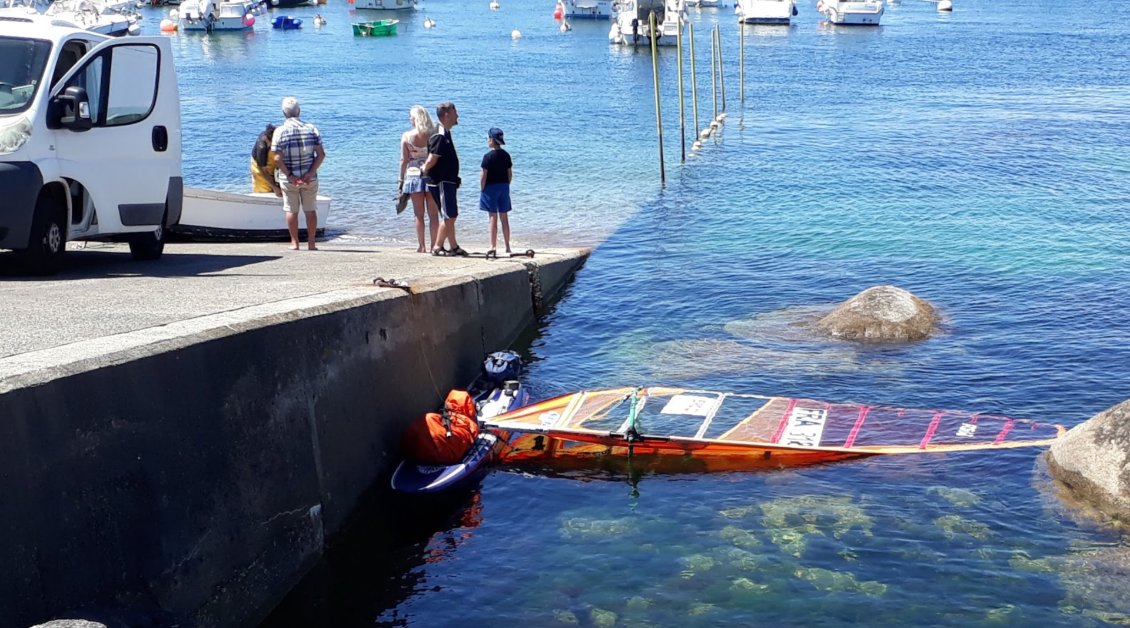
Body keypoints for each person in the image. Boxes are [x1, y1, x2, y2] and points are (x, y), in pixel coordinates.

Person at [271, 96, 325, 251]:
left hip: (289, 179)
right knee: (310, 210)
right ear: (299, 111)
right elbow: (321, 155)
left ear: (283, 113)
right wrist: (310, 173)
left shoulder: (280, 131)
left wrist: (290, 175)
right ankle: (312, 243)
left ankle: (294, 243)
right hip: (310, 177)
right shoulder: (311, 128)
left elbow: (277, 158)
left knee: (291, 210)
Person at [422, 101, 466, 257]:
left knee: (449, 215)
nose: (458, 116)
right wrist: (425, 170)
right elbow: (432, 158)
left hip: (448, 180)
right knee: (450, 215)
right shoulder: (439, 134)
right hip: (442, 181)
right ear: (447, 115)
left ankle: (453, 246)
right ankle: (438, 246)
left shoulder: (445, 132)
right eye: (455, 113)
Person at [399, 105, 440, 253]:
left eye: (411, 116)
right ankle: (434, 245)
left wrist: (400, 180)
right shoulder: (434, 133)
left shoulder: (407, 137)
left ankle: (421, 246)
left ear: (416, 118)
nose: (409, 118)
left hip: (413, 176)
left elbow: (404, 160)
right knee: (433, 215)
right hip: (431, 175)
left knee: (418, 214)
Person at [479, 127, 513, 254]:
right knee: (504, 217)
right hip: (504, 186)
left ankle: (493, 246)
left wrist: (482, 187)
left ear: (492, 140)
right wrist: (507, 185)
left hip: (490, 188)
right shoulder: (506, 155)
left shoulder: (487, 157)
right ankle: (507, 246)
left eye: (488, 138)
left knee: (492, 217)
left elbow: (483, 175)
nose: (487, 140)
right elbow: (510, 174)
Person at [250, 123, 281, 196]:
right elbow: (262, 170)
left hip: (274, 162)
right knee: (264, 189)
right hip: (260, 168)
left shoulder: (280, 132)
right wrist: (274, 187)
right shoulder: (262, 147)